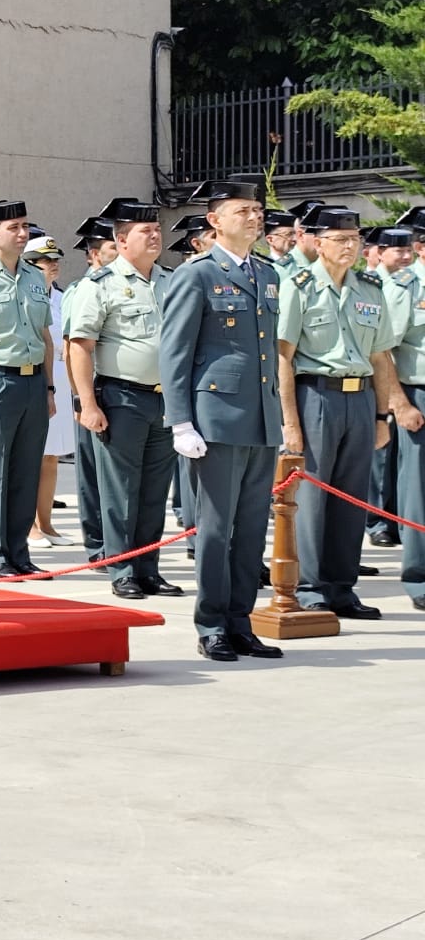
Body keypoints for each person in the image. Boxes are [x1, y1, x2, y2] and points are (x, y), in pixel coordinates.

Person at [159, 180, 286, 661]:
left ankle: (240, 622)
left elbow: (266, 352)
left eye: (257, 210)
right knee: (216, 528)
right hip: (214, 419)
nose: (254, 218)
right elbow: (174, 352)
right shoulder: (195, 275)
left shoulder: (267, 275)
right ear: (214, 221)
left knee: (253, 527)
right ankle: (211, 624)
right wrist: (180, 422)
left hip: (259, 419)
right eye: (242, 211)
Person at [277, 205, 401, 619]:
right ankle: (311, 587)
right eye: (340, 239)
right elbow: (283, 357)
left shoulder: (369, 287)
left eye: (355, 239)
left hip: (361, 397)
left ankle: (342, 586)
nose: (350, 246)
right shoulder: (298, 286)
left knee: (351, 497)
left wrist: (383, 415)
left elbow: (381, 357)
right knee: (313, 497)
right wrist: (290, 422)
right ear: (316, 242)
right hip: (317, 395)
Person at [67, 197, 181, 601]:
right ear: (121, 239)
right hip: (121, 397)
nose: (154, 236)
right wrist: (87, 403)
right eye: (144, 231)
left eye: (156, 230)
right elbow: (79, 346)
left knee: (155, 489)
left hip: (165, 400)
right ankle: (122, 566)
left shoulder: (171, 281)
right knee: (120, 489)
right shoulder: (100, 285)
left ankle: (148, 566)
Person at [0, 198, 53, 578]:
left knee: (26, 468)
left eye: (25, 227)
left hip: (33, 380)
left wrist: (50, 388)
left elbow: (44, 335)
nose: (22, 234)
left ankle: (19, 551)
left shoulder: (37, 277)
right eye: (13, 228)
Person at [67, 216, 118, 561]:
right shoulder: (82, 290)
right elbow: (73, 345)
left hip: (126, 389)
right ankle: (98, 543)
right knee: (93, 473)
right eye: (113, 247)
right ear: (94, 255)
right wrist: (79, 399)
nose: (119, 252)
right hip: (94, 390)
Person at [385, 213, 425, 608]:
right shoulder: (405, 288)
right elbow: (386, 348)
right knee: (419, 490)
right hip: (420, 394)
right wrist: (399, 403)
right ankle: (420, 578)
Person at [24, 236, 73, 548]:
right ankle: (29, 527)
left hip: (60, 376)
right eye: (45, 261)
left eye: (55, 260)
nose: (53, 265)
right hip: (35, 375)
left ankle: (47, 523)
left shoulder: (62, 296)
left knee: (51, 456)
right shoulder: (26, 294)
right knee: (29, 457)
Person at [366, 227, 413, 547]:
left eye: (409, 250)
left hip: (399, 379)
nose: (405, 256)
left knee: (395, 457)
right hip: (378, 378)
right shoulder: (378, 285)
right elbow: (384, 347)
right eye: (399, 251)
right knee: (379, 455)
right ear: (380, 252)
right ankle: (377, 518)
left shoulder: (406, 283)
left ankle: (391, 517)